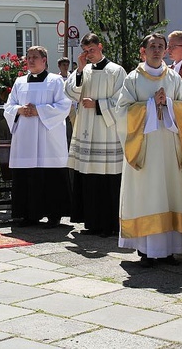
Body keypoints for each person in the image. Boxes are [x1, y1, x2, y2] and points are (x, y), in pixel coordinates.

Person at [116, 34, 182, 266]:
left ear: (166, 50)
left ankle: (169, 250)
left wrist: (168, 104)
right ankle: (146, 250)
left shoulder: (173, 78)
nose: (157, 50)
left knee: (168, 193)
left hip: (168, 145)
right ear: (143, 51)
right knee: (147, 195)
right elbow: (121, 112)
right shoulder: (133, 79)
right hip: (144, 148)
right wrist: (151, 104)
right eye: (152, 47)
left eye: (160, 47)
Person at [65, 33, 126, 237]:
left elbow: (121, 100)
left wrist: (98, 104)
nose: (88, 54)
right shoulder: (84, 70)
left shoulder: (116, 71)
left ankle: (110, 224)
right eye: (85, 51)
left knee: (107, 178)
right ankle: (92, 222)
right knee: (88, 177)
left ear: (100, 47)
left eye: (91, 50)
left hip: (106, 131)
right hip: (86, 128)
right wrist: (80, 69)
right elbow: (71, 93)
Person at [5, 46, 72, 227]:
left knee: (50, 176)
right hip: (25, 137)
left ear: (44, 60)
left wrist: (39, 111)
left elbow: (64, 105)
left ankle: (54, 214)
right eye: (28, 57)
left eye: (35, 57)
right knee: (27, 175)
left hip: (48, 139)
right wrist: (19, 110)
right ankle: (28, 215)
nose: (31, 60)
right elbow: (8, 106)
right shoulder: (19, 82)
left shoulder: (56, 81)